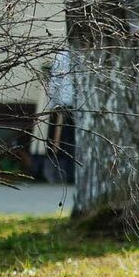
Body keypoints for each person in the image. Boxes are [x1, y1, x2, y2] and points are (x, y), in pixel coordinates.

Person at [43, 48, 77, 184]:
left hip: (72, 105)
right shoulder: (63, 56)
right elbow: (55, 81)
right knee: (63, 141)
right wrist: (53, 104)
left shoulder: (67, 55)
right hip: (65, 105)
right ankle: (64, 174)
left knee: (69, 142)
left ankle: (70, 174)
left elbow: (54, 83)